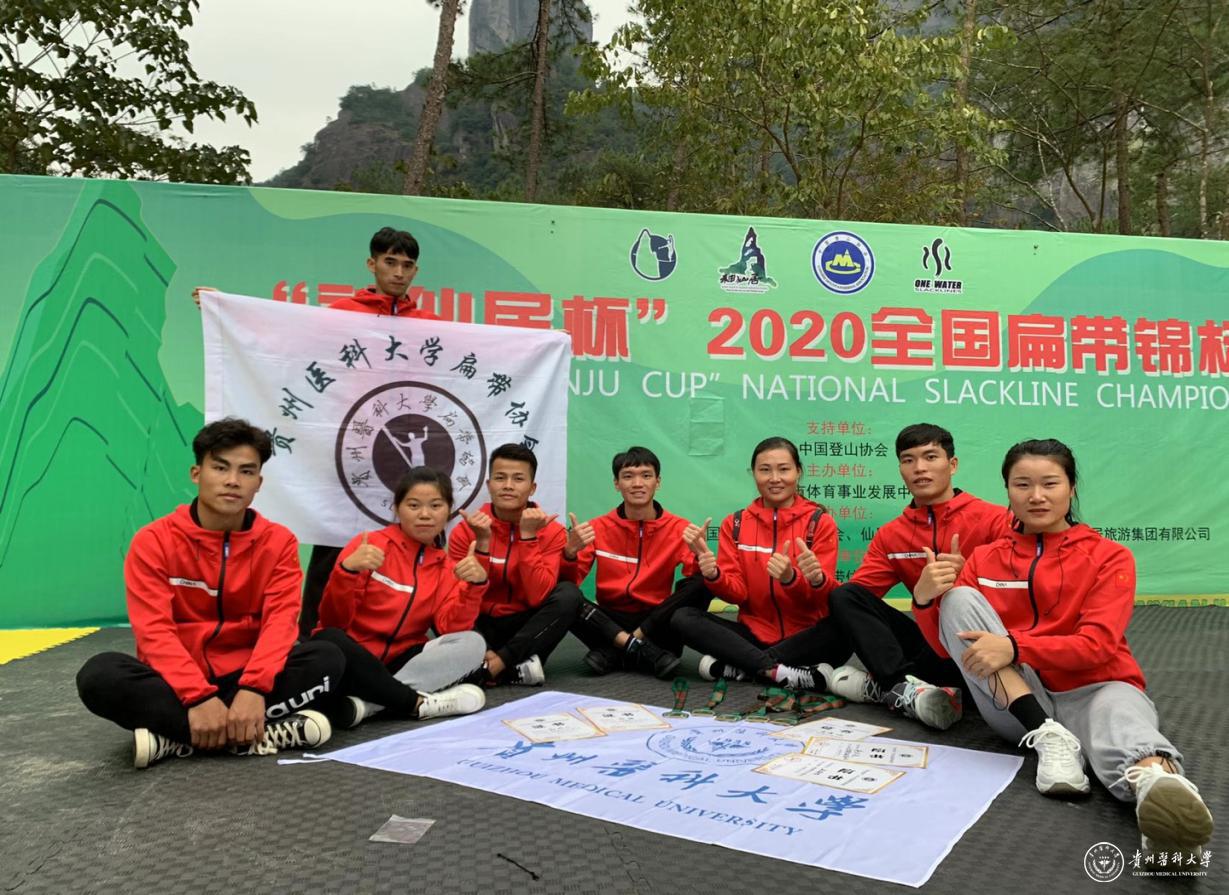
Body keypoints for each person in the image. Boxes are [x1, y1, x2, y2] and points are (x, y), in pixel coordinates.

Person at [913, 438, 1214, 853]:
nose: (1036, 496)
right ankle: (1048, 734)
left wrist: (1015, 646)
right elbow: (950, 649)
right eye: (1022, 484)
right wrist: (924, 600)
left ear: (1071, 488)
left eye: (1050, 483)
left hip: (1095, 687)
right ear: (1007, 490)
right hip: (1016, 700)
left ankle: (1159, 794)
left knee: (1124, 727)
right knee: (959, 599)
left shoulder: (1109, 557)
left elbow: (1097, 646)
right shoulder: (983, 560)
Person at [194, 226, 441, 639]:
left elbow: (477, 356)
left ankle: (427, 635)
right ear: (372, 264)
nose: (399, 272)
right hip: (350, 446)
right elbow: (286, 337)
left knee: (423, 531)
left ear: (416, 270)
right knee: (334, 538)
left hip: (404, 447)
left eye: (407, 265)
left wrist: (546, 346)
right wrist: (224, 311)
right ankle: (313, 636)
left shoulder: (430, 325)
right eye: (390, 262)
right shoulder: (341, 313)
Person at [76, 419, 344, 768]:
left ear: (259, 483)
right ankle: (261, 733)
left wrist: (254, 689)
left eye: (246, 471)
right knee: (99, 676)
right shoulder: (153, 542)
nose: (233, 480)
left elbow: (280, 623)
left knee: (327, 657)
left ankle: (175, 739)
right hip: (175, 681)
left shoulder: (278, 543)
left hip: (246, 677)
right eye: (220, 468)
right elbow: (154, 631)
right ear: (196, 473)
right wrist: (197, 697)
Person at [783, 423, 1010, 730]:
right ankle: (902, 688)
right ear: (900, 469)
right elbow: (850, 605)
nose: (920, 468)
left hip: (986, 653)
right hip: (929, 653)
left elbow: (1021, 594)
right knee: (845, 595)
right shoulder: (892, 535)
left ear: (953, 464)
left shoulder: (995, 520)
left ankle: (884, 688)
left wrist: (968, 574)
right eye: (908, 460)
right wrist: (816, 580)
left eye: (930, 457)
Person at [312, 467, 488, 728]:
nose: (425, 514)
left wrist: (474, 587)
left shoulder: (446, 567)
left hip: (401, 664)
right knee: (329, 638)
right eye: (414, 505)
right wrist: (347, 572)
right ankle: (414, 703)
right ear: (396, 508)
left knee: (473, 643)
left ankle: (369, 705)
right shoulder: (369, 546)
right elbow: (333, 621)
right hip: (353, 660)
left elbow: (450, 628)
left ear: (448, 510)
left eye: (436, 505)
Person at [671, 436, 845, 689]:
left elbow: (822, 599)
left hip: (805, 638)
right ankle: (777, 671)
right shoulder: (735, 524)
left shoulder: (819, 522)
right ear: (753, 473)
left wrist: (792, 579)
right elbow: (737, 594)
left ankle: (743, 666)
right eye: (765, 470)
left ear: (798, 472)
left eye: (783, 469)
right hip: (752, 636)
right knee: (682, 618)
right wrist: (713, 575)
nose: (775, 478)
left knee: (846, 625)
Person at [562, 446, 712, 679]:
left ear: (657, 482)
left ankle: (616, 651)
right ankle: (643, 652)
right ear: (617, 484)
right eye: (628, 476)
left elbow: (692, 582)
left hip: (656, 622)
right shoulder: (597, 528)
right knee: (564, 593)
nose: (637, 483)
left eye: (646, 475)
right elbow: (570, 581)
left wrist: (700, 558)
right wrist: (570, 553)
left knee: (703, 582)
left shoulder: (679, 528)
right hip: (609, 621)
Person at [449, 443, 583, 685]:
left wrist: (528, 536)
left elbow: (538, 597)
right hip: (478, 625)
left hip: (525, 630)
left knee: (569, 594)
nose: (508, 485)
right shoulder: (467, 530)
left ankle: (493, 668)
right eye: (500, 478)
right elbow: (457, 597)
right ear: (489, 485)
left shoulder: (552, 531)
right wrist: (482, 543)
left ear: (532, 488)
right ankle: (513, 671)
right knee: (440, 594)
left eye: (518, 479)